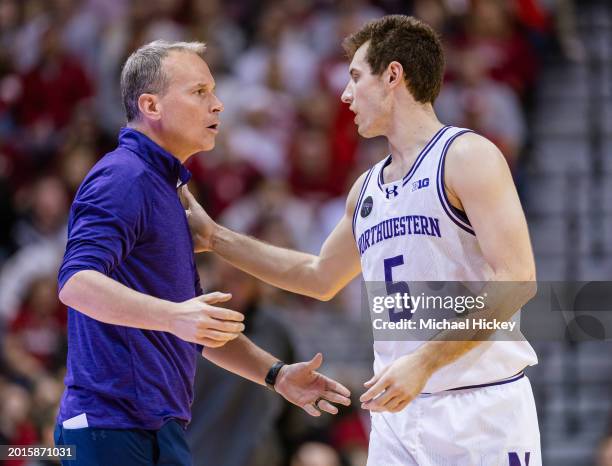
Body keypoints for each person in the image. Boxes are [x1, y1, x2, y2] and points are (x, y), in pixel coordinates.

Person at [181, 15, 541, 466]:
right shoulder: (365, 189)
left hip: (479, 409)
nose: (345, 94)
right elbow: (317, 276)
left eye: (355, 77)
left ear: (393, 75)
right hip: (399, 415)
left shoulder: (466, 156)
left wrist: (425, 362)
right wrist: (215, 237)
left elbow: (517, 280)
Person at [54, 40, 351, 466]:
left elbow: (199, 330)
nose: (218, 105)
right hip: (110, 426)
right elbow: (76, 284)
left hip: (157, 426)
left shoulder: (166, 188)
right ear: (151, 106)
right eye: (199, 92)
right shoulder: (123, 176)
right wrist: (175, 316)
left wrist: (277, 375)